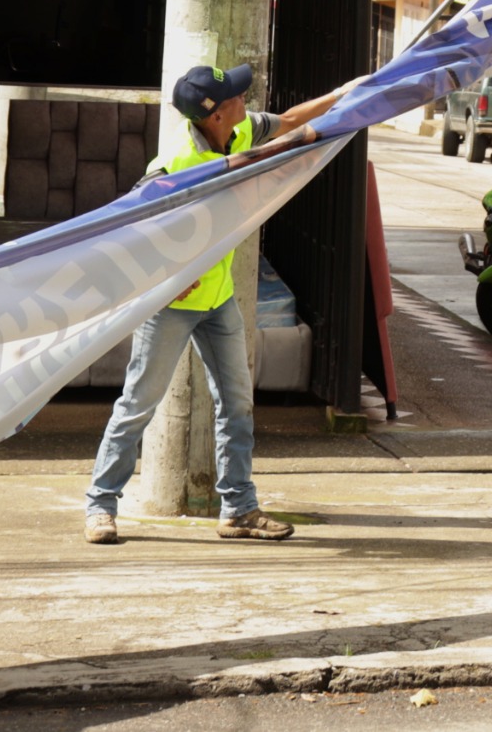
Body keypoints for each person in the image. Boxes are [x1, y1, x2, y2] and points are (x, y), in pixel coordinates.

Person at [83, 63, 352, 546]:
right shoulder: (177, 165)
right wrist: (167, 277)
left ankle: (239, 510)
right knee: (139, 404)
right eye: (234, 94)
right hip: (171, 306)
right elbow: (133, 228)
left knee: (237, 404)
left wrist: (342, 93)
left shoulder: (244, 130)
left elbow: (290, 120)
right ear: (215, 115)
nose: (242, 96)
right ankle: (100, 507)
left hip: (220, 299)